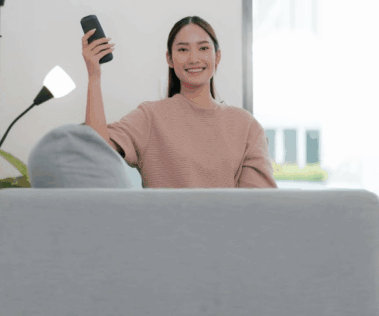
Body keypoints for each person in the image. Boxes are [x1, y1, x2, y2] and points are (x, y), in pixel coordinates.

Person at [81, 15, 277, 189]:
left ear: (217, 56)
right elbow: (96, 149)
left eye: (203, 48)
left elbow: (258, 205)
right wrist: (94, 76)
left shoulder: (246, 126)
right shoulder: (150, 117)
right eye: (183, 49)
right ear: (170, 59)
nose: (193, 58)